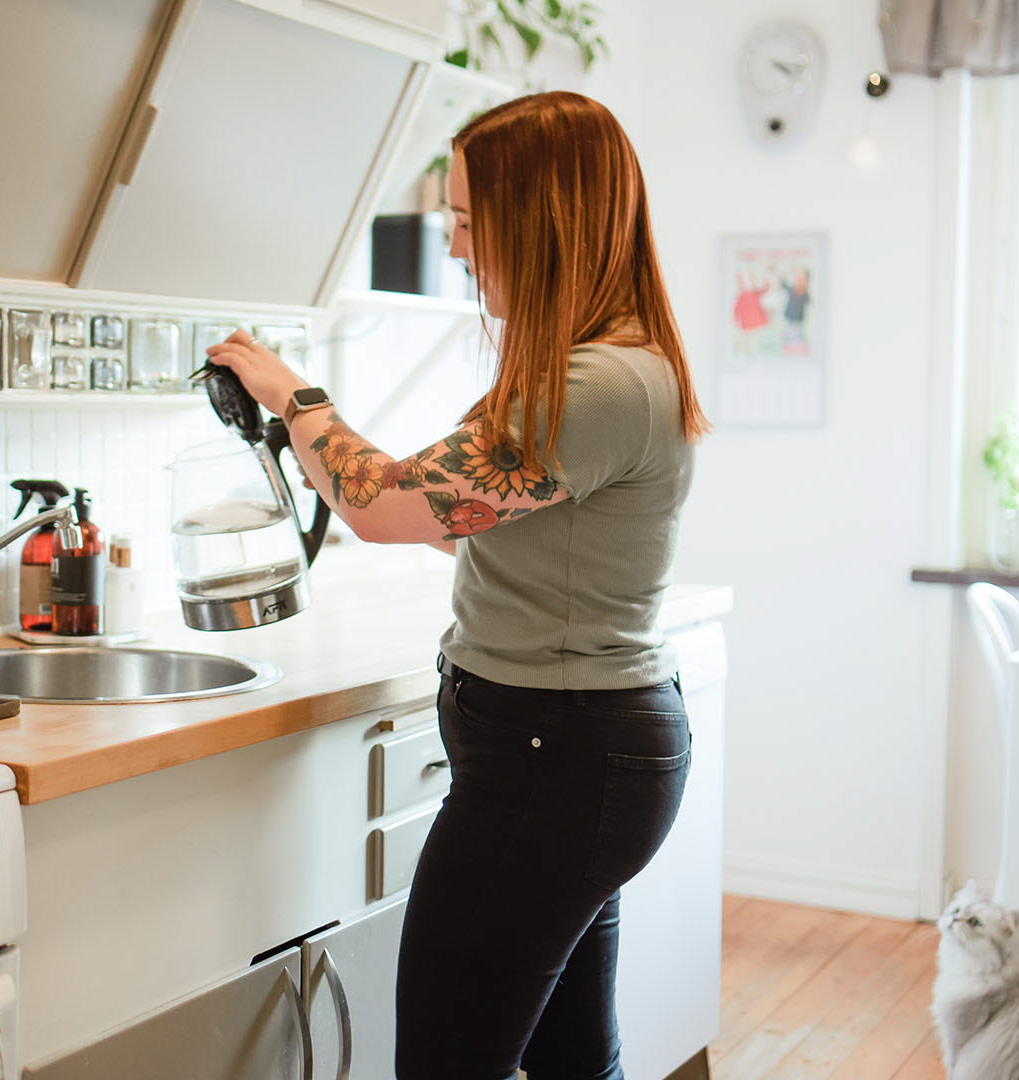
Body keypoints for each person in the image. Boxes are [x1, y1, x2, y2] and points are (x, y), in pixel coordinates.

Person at [206, 91, 708, 1080]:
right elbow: (493, 531)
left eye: (472, 223)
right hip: (577, 754)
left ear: (543, 220)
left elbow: (382, 501)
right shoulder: (609, 367)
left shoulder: (598, 384)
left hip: (555, 763)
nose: (460, 249)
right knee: (572, 1067)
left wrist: (291, 393)